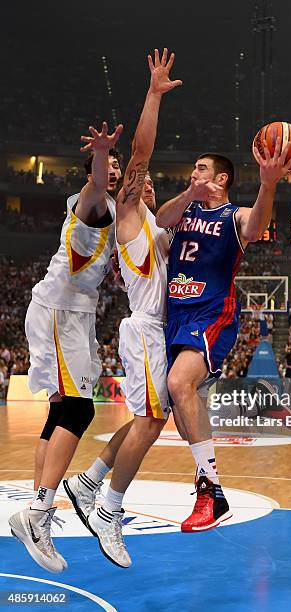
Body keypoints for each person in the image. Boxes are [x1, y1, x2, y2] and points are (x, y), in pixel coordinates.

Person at [62, 48, 181, 568]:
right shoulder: (130, 213)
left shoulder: (154, 223)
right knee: (152, 423)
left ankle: (87, 482)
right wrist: (153, 95)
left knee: (146, 419)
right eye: (139, 180)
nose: (144, 181)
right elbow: (142, 153)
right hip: (146, 329)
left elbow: (175, 213)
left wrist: (196, 197)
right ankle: (109, 509)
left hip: (156, 332)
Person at [156, 138, 291, 531]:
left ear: (221, 177)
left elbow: (257, 225)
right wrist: (188, 193)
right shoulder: (185, 210)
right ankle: (209, 485)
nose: (193, 173)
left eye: (200, 169)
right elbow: (163, 219)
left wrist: (269, 184)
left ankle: (211, 493)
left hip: (213, 313)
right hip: (176, 317)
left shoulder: (234, 215)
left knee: (178, 381)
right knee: (185, 415)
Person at [8, 120, 123, 573]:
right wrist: (101, 155)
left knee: (60, 412)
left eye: (117, 164)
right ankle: (39, 513)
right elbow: (96, 183)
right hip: (62, 311)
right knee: (79, 411)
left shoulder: (111, 207)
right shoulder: (92, 202)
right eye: (108, 165)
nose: (113, 170)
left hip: (69, 312)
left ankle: (36, 515)